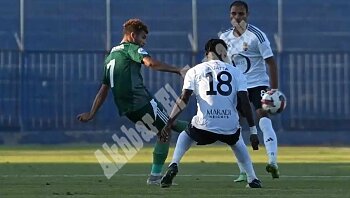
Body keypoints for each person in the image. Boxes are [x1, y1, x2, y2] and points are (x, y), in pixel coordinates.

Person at [76, 18, 189, 185]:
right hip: (141, 102)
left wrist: (92, 113)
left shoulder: (110, 58)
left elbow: (103, 89)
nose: (143, 43)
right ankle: (156, 176)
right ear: (132, 35)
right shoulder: (131, 49)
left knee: (166, 127)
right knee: (166, 130)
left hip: (128, 109)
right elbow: (150, 63)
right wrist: (178, 70)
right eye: (142, 38)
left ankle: (204, 130)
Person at [158, 39, 261, 188]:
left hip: (204, 126)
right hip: (229, 127)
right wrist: (253, 131)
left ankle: (173, 164)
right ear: (224, 53)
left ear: (207, 54)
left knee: (186, 135)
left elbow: (184, 99)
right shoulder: (236, 72)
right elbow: (245, 102)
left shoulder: (194, 70)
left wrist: (168, 124)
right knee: (236, 140)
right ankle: (253, 179)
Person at [219, 1, 280, 181]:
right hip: (238, 87)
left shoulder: (257, 36)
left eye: (241, 14)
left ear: (247, 14)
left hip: (258, 84)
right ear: (230, 15)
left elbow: (271, 63)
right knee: (232, 124)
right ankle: (243, 171)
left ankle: (272, 161)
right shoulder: (224, 37)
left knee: (262, 114)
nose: (237, 17)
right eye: (234, 14)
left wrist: (273, 91)